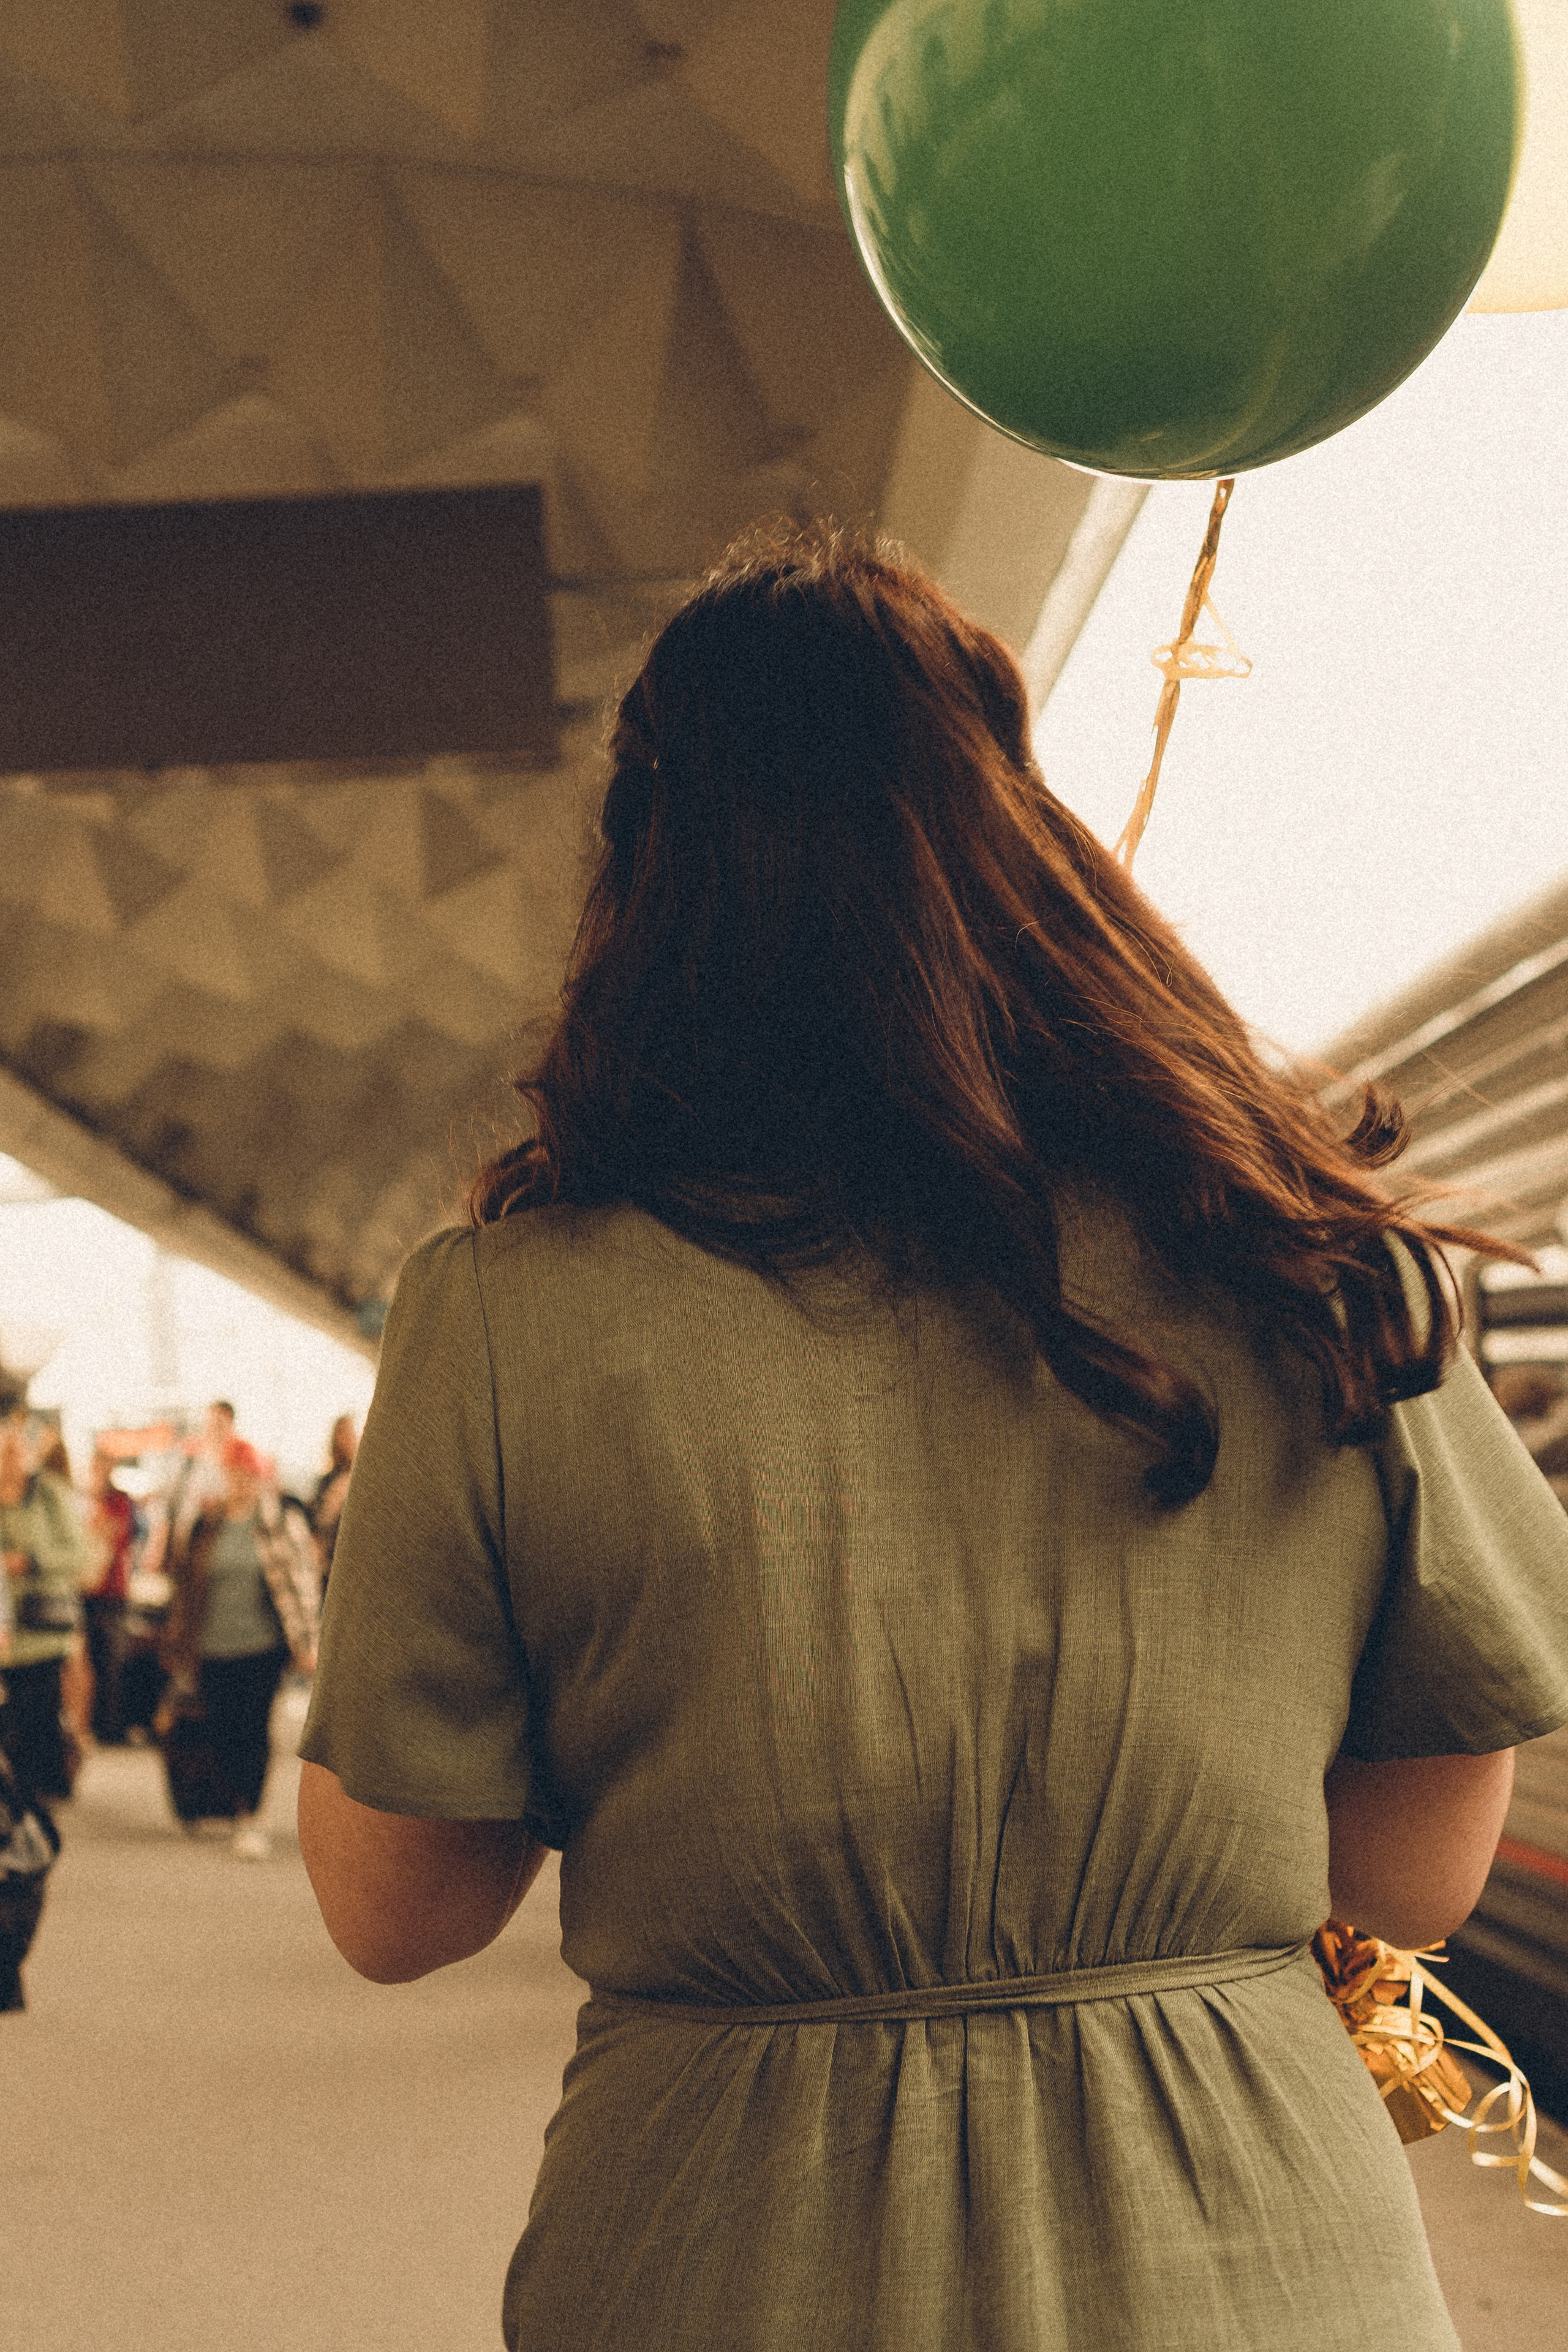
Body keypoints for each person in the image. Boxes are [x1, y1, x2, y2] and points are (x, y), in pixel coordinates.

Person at [297, 527, 1568, 2352]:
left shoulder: (503, 1316)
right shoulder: (1320, 1263)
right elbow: (1408, 1877)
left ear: (647, 874)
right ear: (1014, 830)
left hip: (720, 2252)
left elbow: (397, 1904)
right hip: (1264, 2261)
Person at [162, 1438, 318, 1859]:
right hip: (211, 1647)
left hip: (262, 1648)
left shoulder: (278, 1522)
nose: (242, 1484)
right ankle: (236, 1805)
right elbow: (185, 1586)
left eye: (249, 1476)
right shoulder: (206, 1525)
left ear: (261, 1478)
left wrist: (307, 1642)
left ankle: (253, 1813)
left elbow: (303, 1584)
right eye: (235, 1475)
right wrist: (177, 1642)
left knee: (253, 1729)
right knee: (222, 1729)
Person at [0, 1415, 89, 1808]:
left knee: (37, 1718)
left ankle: (36, 1799)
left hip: (40, 1629)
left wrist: (33, 1561)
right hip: (3, 1630)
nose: (9, 1460)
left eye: (15, 1452)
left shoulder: (49, 1494)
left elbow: (78, 1553)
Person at [81, 1449, 138, 1744]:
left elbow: (116, 1535)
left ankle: (112, 1727)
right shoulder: (84, 1498)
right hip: (86, 1593)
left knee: (112, 1661)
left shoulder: (118, 1500)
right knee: (89, 1662)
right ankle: (92, 1724)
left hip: (113, 1592)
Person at [309, 1416, 358, 1582]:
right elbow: (318, 1523)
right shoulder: (327, 1482)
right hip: (332, 1562)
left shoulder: (366, 1482)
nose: (350, 1440)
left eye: (352, 1434)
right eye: (344, 1434)